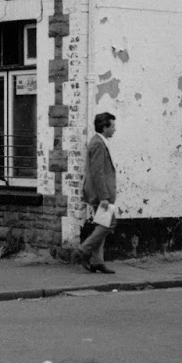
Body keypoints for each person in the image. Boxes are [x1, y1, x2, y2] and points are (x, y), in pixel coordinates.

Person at [72, 111, 117, 274]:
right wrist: (104, 197)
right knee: (109, 223)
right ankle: (83, 250)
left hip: (99, 192)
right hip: (100, 193)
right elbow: (97, 172)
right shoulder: (98, 144)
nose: (114, 129)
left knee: (102, 224)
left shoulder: (99, 142)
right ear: (104, 127)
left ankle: (98, 261)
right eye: (112, 126)